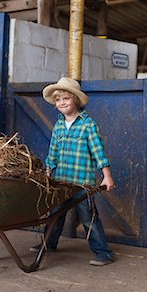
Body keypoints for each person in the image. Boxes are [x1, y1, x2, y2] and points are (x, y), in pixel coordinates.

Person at [31, 77, 115, 266]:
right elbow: (53, 152)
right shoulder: (59, 126)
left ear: (76, 100)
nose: (62, 103)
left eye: (66, 99)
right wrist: (47, 172)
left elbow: (98, 152)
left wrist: (106, 176)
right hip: (61, 181)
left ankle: (103, 252)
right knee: (56, 214)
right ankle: (48, 244)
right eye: (58, 100)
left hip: (82, 183)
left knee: (88, 217)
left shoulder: (88, 125)